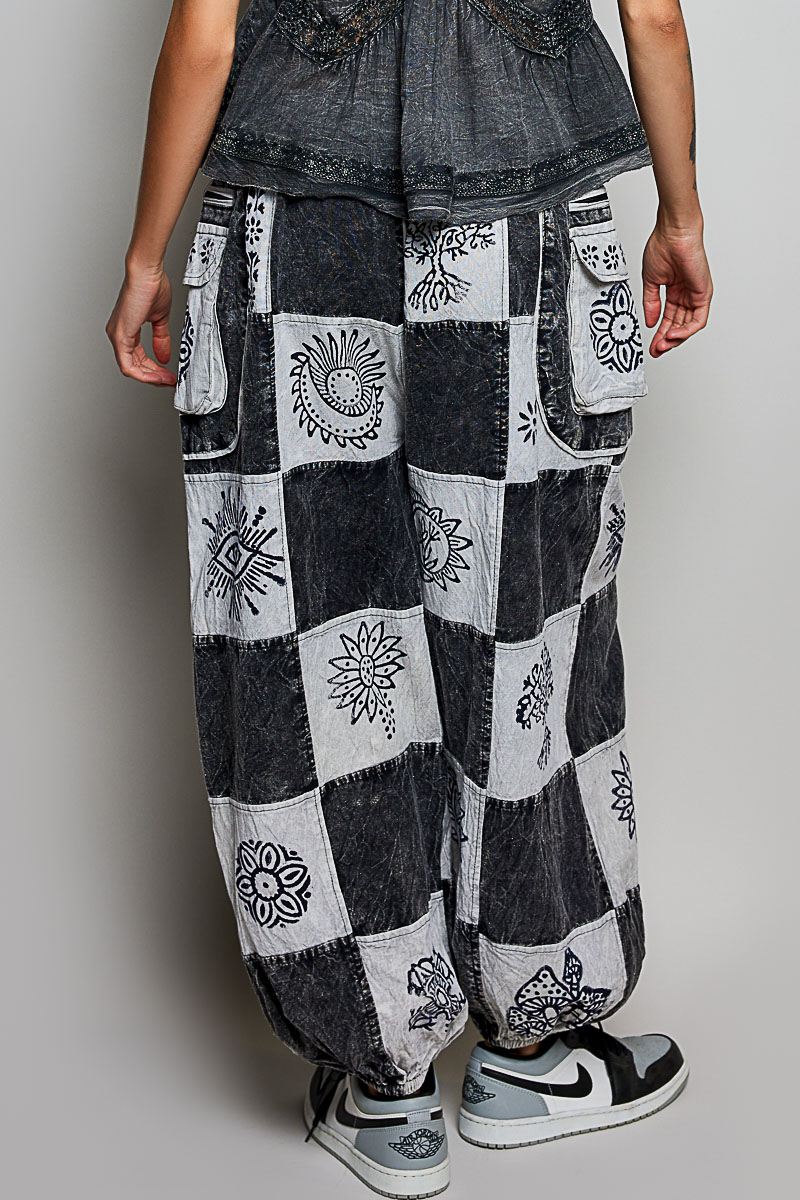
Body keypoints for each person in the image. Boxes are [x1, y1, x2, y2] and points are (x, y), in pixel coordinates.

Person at [107, 2, 713, 1195]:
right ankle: (530, 1051)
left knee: (316, 634)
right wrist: (681, 218)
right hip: (519, 224)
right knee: (521, 630)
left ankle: (382, 1083)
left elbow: (204, 35)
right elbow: (650, 13)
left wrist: (143, 258)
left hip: (294, 225)